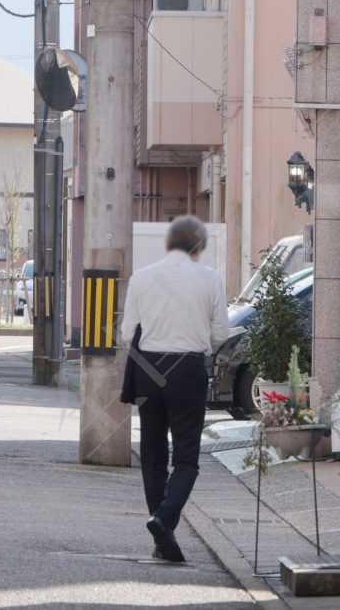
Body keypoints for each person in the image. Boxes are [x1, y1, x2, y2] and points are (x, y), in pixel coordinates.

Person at [120, 216, 229, 562]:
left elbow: (127, 333)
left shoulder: (142, 277)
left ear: (168, 243)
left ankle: (160, 537)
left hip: (148, 370)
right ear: (198, 247)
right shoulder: (210, 279)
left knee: (152, 454)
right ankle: (164, 520)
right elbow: (221, 335)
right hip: (187, 370)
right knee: (186, 458)